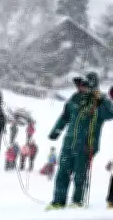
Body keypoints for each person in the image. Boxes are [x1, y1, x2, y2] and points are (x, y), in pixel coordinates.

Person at [46, 72, 113, 209]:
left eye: (83, 85)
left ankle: (77, 201)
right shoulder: (74, 99)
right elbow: (64, 117)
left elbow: (109, 114)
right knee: (62, 172)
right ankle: (58, 201)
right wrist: (55, 132)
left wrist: (102, 100)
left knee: (80, 175)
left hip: (86, 145)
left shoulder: (98, 101)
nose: (80, 88)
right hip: (69, 143)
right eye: (79, 85)